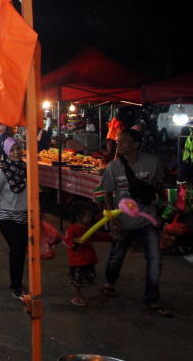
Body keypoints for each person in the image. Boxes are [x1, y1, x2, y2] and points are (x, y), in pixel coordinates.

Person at [101, 129, 172, 316]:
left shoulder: (152, 162)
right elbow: (107, 193)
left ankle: (152, 298)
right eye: (118, 141)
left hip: (146, 220)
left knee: (155, 259)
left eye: (124, 141)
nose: (120, 144)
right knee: (117, 256)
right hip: (123, 222)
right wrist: (112, 218)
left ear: (136, 144)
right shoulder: (113, 167)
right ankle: (109, 282)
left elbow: (159, 186)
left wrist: (163, 212)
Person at [0, 137, 29, 300]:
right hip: (6, 215)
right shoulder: (0, 172)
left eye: (18, 149)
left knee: (21, 251)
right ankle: (16, 285)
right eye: (13, 150)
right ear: (7, 152)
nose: (16, 152)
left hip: (23, 215)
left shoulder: (26, 169)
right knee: (16, 249)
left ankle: (17, 281)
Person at [63, 202, 112, 307]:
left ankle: (80, 296)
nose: (90, 218)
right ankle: (77, 297)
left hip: (87, 258)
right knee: (78, 281)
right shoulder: (72, 228)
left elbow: (97, 236)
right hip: (77, 260)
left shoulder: (88, 228)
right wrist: (74, 241)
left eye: (90, 216)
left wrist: (110, 237)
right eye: (87, 216)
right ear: (78, 217)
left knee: (84, 279)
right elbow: (67, 241)